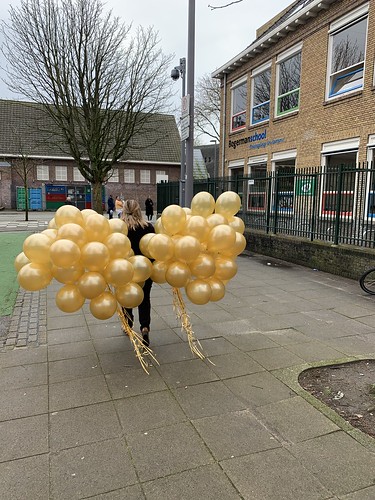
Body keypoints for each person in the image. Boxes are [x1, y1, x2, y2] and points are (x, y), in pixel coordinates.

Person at [121, 199, 155, 346]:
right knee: (144, 298)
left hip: (124, 270)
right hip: (145, 268)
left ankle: (128, 324)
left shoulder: (120, 229)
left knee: (125, 296)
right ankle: (145, 326)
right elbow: (154, 249)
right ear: (138, 210)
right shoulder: (148, 227)